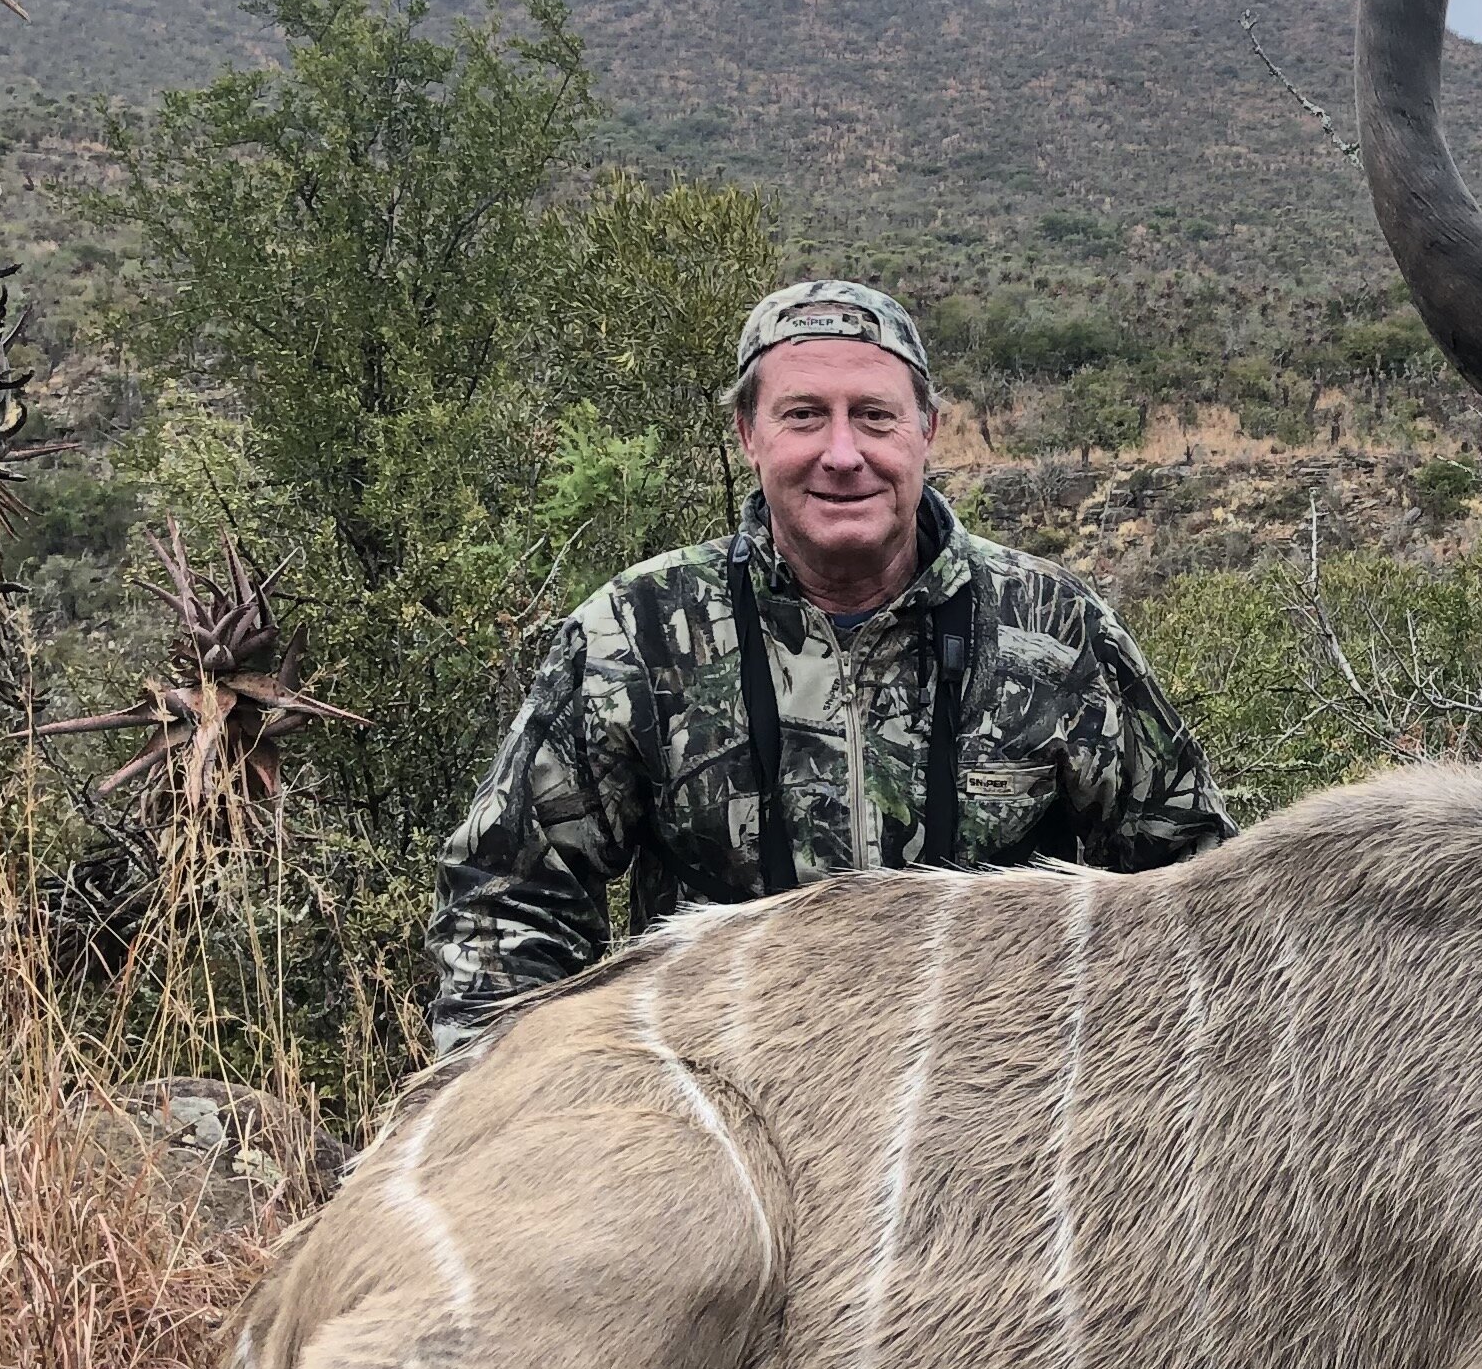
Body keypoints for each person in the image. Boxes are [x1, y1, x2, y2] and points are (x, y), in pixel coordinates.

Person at [426, 279, 1231, 1054]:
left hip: (994, 1128)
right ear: (749, 435)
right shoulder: (637, 631)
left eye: (874, 416)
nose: (842, 454)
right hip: (720, 1122)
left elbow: (1192, 884)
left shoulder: (1054, 626)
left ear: (927, 431)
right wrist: (531, 1126)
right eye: (804, 416)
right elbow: (506, 901)